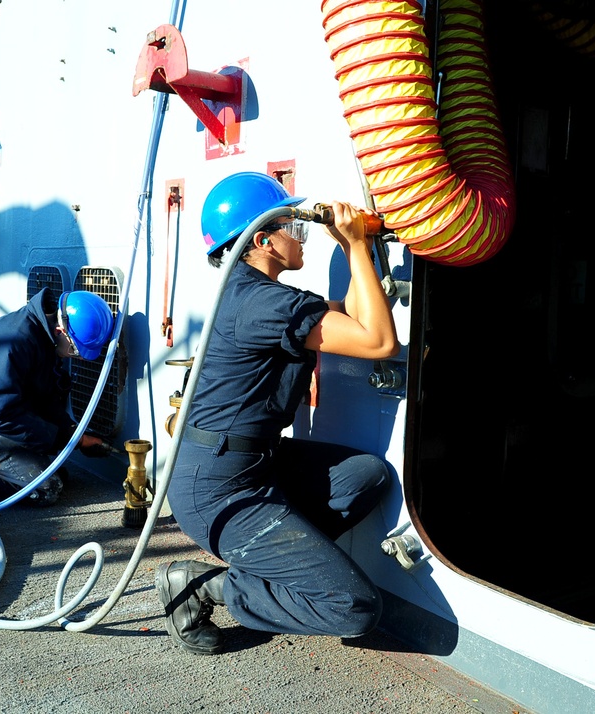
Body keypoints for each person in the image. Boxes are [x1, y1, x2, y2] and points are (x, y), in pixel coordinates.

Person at [156, 172, 399, 655]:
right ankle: (209, 587)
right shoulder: (261, 302)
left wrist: (362, 248)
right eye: (294, 225)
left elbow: (350, 317)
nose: (301, 234)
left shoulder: (257, 295)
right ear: (263, 239)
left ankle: (276, 562)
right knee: (354, 607)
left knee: (365, 475)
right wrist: (351, 245)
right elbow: (378, 341)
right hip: (219, 486)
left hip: (254, 464)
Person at [0, 287, 114, 505]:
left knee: (56, 472)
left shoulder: (42, 337)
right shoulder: (13, 341)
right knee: (47, 489)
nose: (80, 358)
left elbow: (44, 399)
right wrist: (58, 439)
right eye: (76, 351)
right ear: (60, 331)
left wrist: (75, 437)